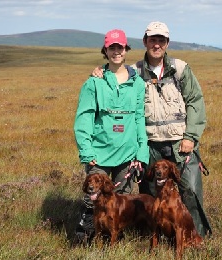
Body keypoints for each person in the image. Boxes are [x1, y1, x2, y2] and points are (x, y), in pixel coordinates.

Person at [91, 21, 212, 238]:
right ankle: (151, 237)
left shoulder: (180, 68)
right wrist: (99, 71)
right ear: (145, 41)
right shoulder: (134, 71)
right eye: (153, 40)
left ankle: (196, 237)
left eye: (161, 40)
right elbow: (114, 72)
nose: (157, 45)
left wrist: (191, 136)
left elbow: (195, 102)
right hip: (149, 144)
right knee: (149, 195)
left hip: (179, 142)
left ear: (167, 43)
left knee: (190, 190)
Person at [73, 29, 149, 241]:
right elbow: (84, 119)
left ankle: (113, 242)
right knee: (93, 201)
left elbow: (139, 119)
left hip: (127, 154)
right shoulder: (93, 83)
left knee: (119, 203)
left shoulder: (138, 84)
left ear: (126, 50)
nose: (116, 51)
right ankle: (86, 239)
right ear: (105, 51)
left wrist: (141, 153)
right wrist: (87, 151)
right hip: (99, 154)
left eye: (120, 47)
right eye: (112, 48)